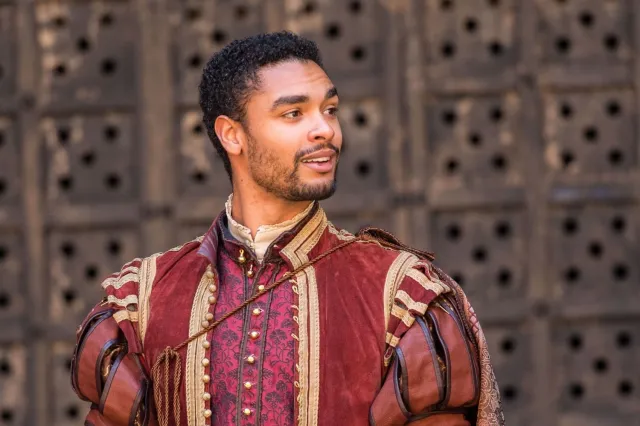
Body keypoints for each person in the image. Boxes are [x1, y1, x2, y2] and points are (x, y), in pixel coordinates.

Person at [70, 31, 504, 426]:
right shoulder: (141, 299)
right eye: (294, 113)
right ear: (232, 135)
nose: (325, 130)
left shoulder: (401, 295)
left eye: (330, 110)